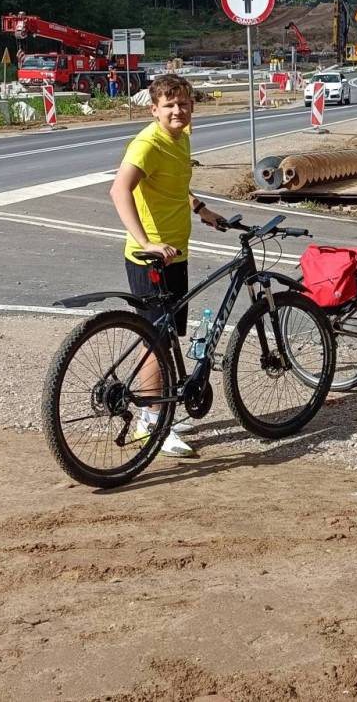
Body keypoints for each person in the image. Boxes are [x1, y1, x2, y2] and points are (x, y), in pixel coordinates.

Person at [110, 73, 227, 457]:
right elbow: (119, 190)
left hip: (176, 253)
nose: (178, 111)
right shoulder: (148, 144)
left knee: (167, 336)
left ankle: (157, 411)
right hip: (150, 259)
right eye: (170, 105)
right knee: (155, 340)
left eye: (183, 104)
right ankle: (150, 421)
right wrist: (146, 243)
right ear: (154, 110)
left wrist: (201, 209)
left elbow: (174, 185)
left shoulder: (181, 138)